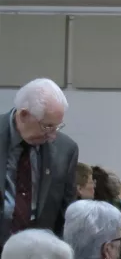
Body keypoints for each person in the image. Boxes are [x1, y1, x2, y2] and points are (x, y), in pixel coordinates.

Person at [0, 78, 79, 247]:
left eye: (57, 127)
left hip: (40, 250)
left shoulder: (66, 150)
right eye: (47, 126)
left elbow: (67, 211)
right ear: (23, 115)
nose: (52, 136)